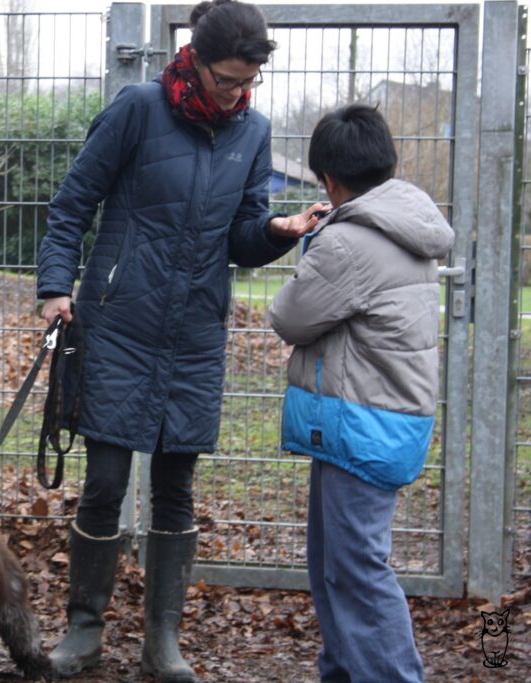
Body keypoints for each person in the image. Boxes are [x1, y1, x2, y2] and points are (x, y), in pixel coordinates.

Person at [36, 1, 323, 680]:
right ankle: (84, 627)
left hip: (195, 331)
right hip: (118, 323)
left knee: (177, 486)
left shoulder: (253, 131)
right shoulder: (137, 109)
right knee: (104, 483)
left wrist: (278, 234)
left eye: (247, 83)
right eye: (227, 79)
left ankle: (163, 639)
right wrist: (55, 287)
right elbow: (73, 203)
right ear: (193, 59)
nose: (236, 93)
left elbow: (243, 235)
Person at [269, 103, 454, 682]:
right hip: (384, 418)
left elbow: (290, 317)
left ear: (329, 179)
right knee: (336, 566)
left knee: (356, 570)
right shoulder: (407, 220)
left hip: (361, 423)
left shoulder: (349, 242)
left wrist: (313, 244)